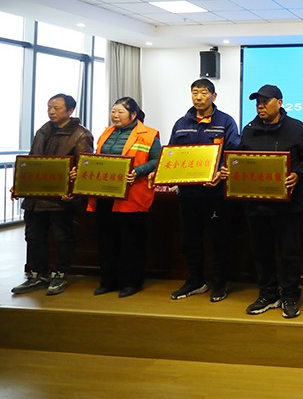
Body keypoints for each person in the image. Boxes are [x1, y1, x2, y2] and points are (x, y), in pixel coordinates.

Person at [220, 85, 303, 318]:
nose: (260, 106)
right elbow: (240, 159)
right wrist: (229, 170)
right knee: (261, 252)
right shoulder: (249, 130)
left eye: (265, 101)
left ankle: (290, 296)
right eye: (257, 102)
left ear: (279, 102)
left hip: (288, 205)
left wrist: (298, 174)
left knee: (289, 253)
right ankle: (268, 294)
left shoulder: (298, 129)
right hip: (256, 205)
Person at [12, 93, 93, 296]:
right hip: (35, 197)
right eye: (49, 107)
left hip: (61, 199)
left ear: (70, 110)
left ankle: (60, 273)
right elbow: (32, 161)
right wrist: (19, 185)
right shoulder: (43, 130)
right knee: (33, 236)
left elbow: (84, 167)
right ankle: (38, 274)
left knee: (62, 237)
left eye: (56, 108)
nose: (51, 111)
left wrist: (73, 191)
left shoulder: (80, 134)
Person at [167, 78, 240, 302]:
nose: (198, 97)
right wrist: (167, 174)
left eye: (203, 93)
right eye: (195, 93)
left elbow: (233, 154)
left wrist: (221, 171)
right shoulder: (181, 123)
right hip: (188, 194)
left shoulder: (225, 122)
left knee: (219, 240)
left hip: (215, 194)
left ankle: (219, 282)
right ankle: (195, 280)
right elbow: (172, 154)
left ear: (213, 96)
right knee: (189, 240)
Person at [87, 97, 161, 298]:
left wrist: (138, 171)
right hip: (106, 194)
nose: (115, 115)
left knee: (131, 241)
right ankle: (108, 281)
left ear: (133, 114)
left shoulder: (149, 135)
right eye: (113, 111)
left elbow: (158, 160)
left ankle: (131, 282)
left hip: (132, 195)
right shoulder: (106, 133)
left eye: (120, 112)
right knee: (106, 239)